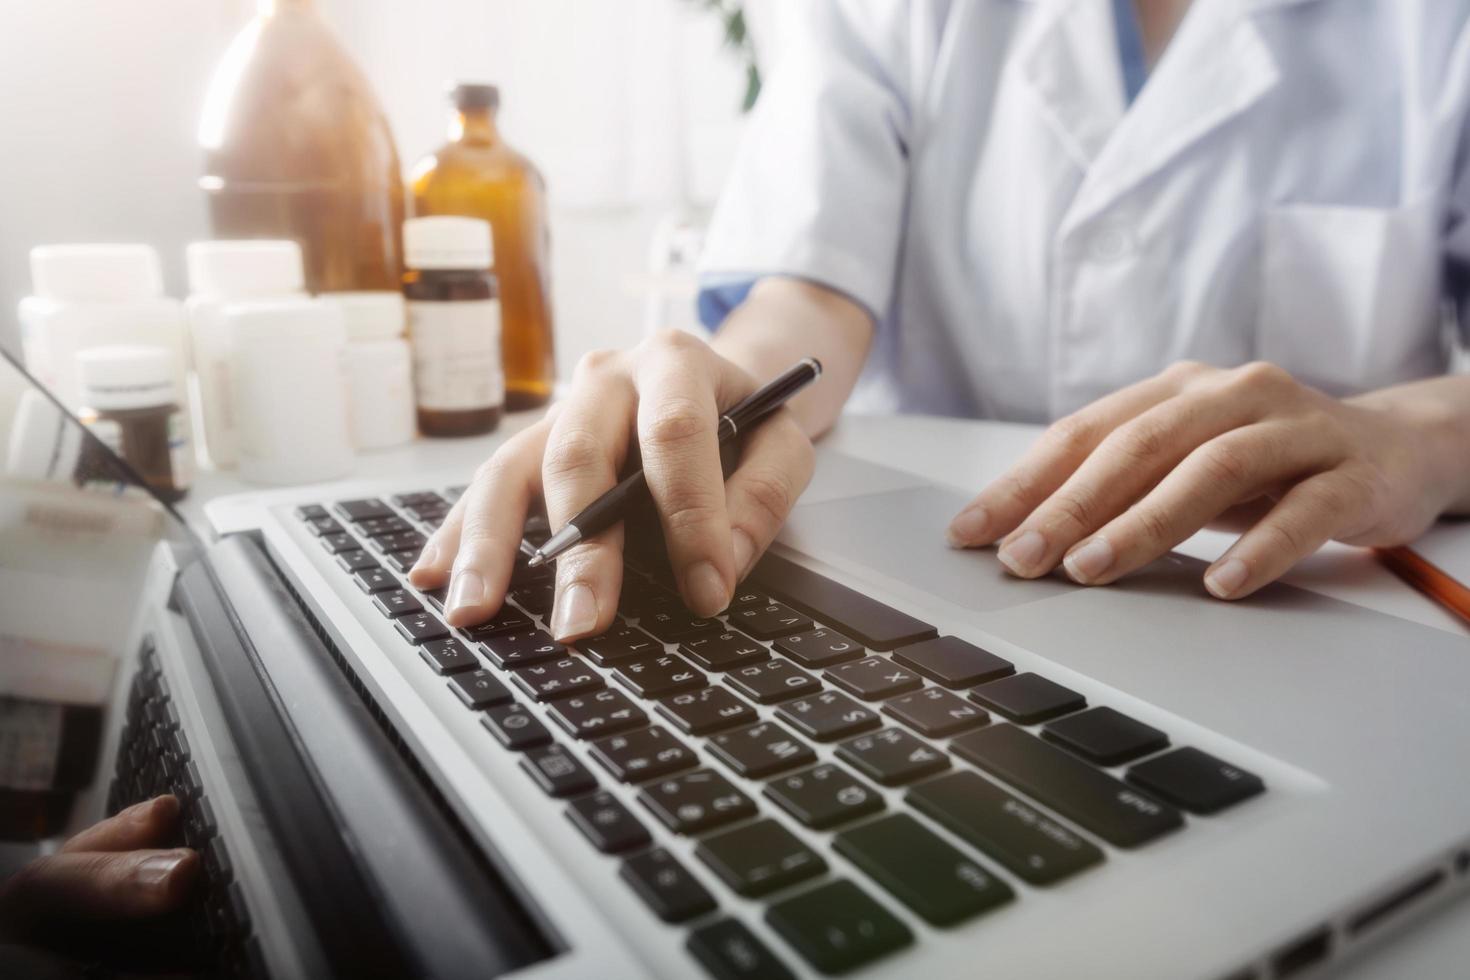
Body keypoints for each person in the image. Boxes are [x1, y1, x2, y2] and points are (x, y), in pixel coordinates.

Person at [411, 0, 1470, 642]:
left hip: (1308, 594)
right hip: (932, 571)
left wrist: (1419, 433)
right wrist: (707, 388)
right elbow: (807, 295)